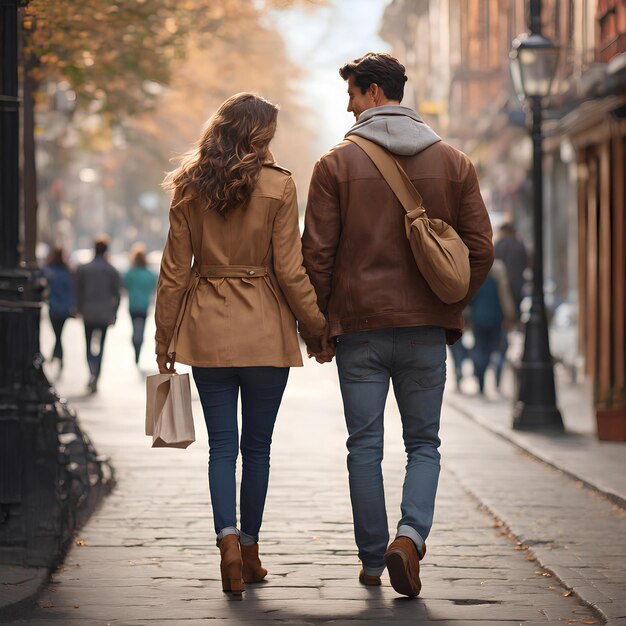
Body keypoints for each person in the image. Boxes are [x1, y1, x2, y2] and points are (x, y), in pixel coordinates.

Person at [301, 53, 493, 597]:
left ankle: (370, 560)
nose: (349, 105)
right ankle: (409, 537)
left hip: (359, 326)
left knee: (364, 446)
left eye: (354, 94)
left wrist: (321, 325)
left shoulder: (334, 165)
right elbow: (480, 249)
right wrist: (449, 303)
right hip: (426, 331)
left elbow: (315, 255)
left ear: (376, 92)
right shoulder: (455, 163)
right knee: (424, 443)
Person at [154, 93, 327, 596]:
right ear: (259, 134)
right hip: (265, 331)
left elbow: (173, 272)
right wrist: (316, 328)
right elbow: (291, 271)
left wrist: (166, 337)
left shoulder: (189, 186)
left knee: (221, 448)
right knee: (257, 448)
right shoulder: (278, 186)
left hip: (206, 328)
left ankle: (226, 543)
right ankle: (250, 548)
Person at [75, 236, 121, 393]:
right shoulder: (112, 270)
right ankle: (97, 373)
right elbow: (117, 294)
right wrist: (114, 314)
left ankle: (91, 370)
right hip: (104, 314)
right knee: (101, 345)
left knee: (88, 343)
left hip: (88, 312)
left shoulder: (84, 269)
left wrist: (78, 308)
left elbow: (77, 291)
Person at [469, 259, 517, 395]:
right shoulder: (499, 273)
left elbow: (470, 300)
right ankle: (496, 380)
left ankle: (481, 384)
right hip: (496, 319)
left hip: (479, 320)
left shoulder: (476, 274)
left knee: (480, 350)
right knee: (498, 349)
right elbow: (505, 297)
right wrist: (510, 315)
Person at [42, 246, 76, 373]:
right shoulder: (67, 271)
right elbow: (71, 291)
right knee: (59, 334)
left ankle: (57, 355)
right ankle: (57, 355)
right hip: (64, 308)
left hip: (54, 307)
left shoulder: (50, 271)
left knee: (57, 334)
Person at [123, 244, 157, 365]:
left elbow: (124, 285)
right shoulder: (149, 273)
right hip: (144, 305)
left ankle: (135, 346)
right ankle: (139, 348)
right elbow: (153, 287)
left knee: (134, 328)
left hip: (133, 305)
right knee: (141, 329)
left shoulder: (130, 272)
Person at [494, 222, 528, 314]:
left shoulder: (500, 245)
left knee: (503, 311)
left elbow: (495, 265)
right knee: (517, 309)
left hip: (503, 285)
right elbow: (525, 263)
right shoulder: (520, 245)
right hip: (518, 284)